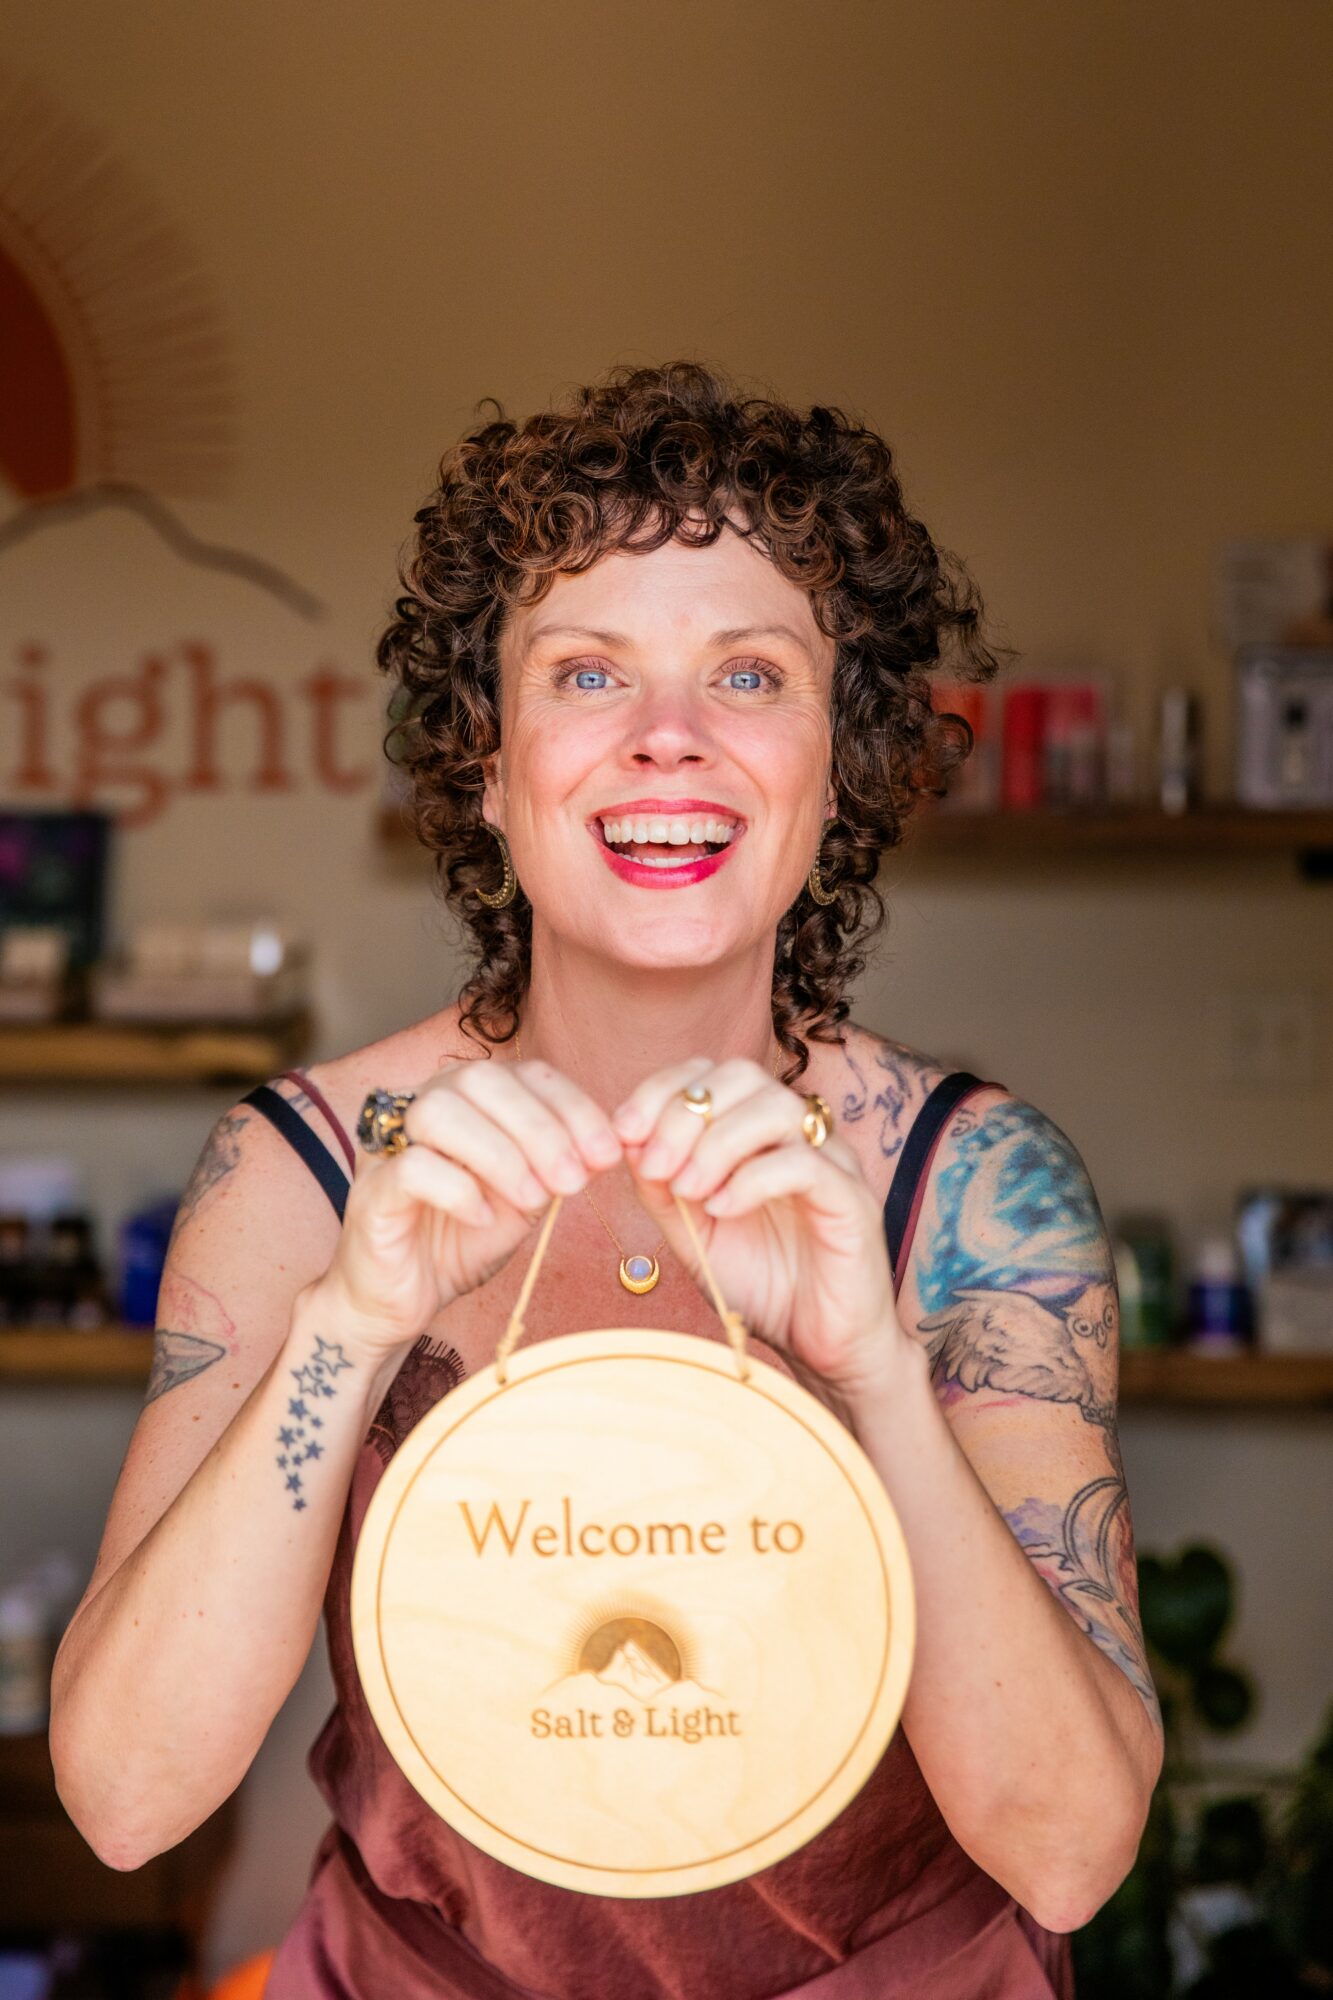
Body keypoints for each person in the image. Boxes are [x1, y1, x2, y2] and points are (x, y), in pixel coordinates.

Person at [51, 362, 1163, 1998]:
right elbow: (129, 1799)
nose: (666, 738)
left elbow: (1065, 1849)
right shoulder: (300, 1165)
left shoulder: (973, 1184)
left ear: (838, 764)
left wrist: (874, 1373)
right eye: (585, 674)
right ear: (486, 769)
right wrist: (351, 1323)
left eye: (747, 674)